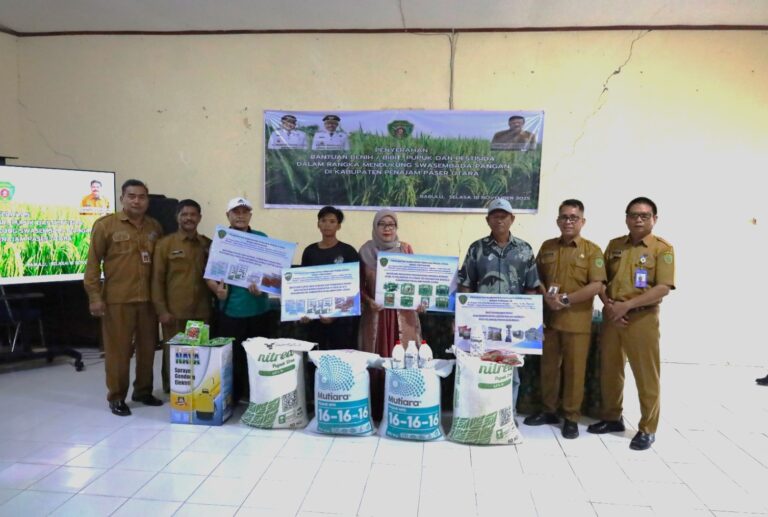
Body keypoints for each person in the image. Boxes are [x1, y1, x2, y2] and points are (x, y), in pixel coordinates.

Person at [587, 197, 675, 451]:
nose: (638, 220)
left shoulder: (662, 249)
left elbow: (663, 288)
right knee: (610, 370)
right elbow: (601, 280)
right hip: (612, 316)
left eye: (644, 216)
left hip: (642, 318)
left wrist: (627, 306)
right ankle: (612, 417)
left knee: (646, 375)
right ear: (626, 218)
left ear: (654, 219)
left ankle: (647, 428)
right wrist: (610, 305)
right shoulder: (615, 245)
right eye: (633, 215)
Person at [523, 199, 606, 439]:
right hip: (549, 319)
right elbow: (536, 277)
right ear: (558, 220)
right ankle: (548, 410)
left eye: (573, 217)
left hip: (576, 322)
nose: (568, 221)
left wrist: (566, 299)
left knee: (574, 371)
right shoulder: (548, 246)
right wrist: (545, 297)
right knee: (548, 368)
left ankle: (571, 416)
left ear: (582, 221)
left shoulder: (592, 250)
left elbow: (597, 285)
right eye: (564, 217)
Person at [83, 179, 163, 416]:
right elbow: (92, 264)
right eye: (132, 196)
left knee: (148, 349)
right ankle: (117, 396)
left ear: (147, 200)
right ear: (122, 199)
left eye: (142, 197)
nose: (137, 201)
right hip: (117, 300)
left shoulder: (154, 227)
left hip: (148, 301)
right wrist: (94, 296)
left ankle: (143, 391)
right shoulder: (105, 226)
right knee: (118, 352)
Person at [457, 198, 541, 414]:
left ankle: (507, 416)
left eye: (504, 216)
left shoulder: (524, 250)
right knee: (481, 368)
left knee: (510, 371)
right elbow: (465, 286)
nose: (499, 220)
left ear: (512, 219)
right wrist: (460, 321)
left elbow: (531, 288)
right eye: (495, 216)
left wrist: (531, 322)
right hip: (481, 323)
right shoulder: (477, 249)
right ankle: (480, 414)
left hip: (513, 323)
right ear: (488, 220)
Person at [206, 197, 270, 404]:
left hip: (259, 309)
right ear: (228, 215)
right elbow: (209, 276)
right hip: (231, 310)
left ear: (250, 215)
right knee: (232, 358)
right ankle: (232, 398)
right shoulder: (221, 240)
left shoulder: (262, 238)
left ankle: (257, 396)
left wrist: (264, 286)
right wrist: (217, 290)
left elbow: (271, 273)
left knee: (258, 357)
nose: (240, 216)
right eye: (236, 212)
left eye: (244, 212)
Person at [359, 209, 420, 420]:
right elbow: (358, 285)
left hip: (403, 316)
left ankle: (402, 405)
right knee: (376, 358)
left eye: (391, 224)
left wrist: (422, 300)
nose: (387, 228)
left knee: (404, 357)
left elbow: (417, 280)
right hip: (376, 316)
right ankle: (376, 409)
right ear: (375, 227)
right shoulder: (365, 251)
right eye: (382, 224)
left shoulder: (405, 249)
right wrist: (368, 301)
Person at [151, 199, 213, 393]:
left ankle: (194, 389)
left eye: (193, 214)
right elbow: (157, 280)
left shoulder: (207, 244)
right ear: (177, 217)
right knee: (174, 353)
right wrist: (161, 310)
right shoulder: (165, 245)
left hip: (200, 312)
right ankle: (173, 390)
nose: (189, 218)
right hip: (174, 313)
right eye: (184, 214)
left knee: (197, 353)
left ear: (199, 218)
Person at [300, 206, 360, 350]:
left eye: (332, 221)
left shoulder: (348, 251)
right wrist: (303, 311)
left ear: (338, 226)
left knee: (340, 357)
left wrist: (336, 314)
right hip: (315, 317)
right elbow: (302, 285)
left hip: (342, 319)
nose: (327, 225)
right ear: (318, 224)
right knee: (315, 357)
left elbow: (355, 287)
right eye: (323, 221)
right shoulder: (309, 251)